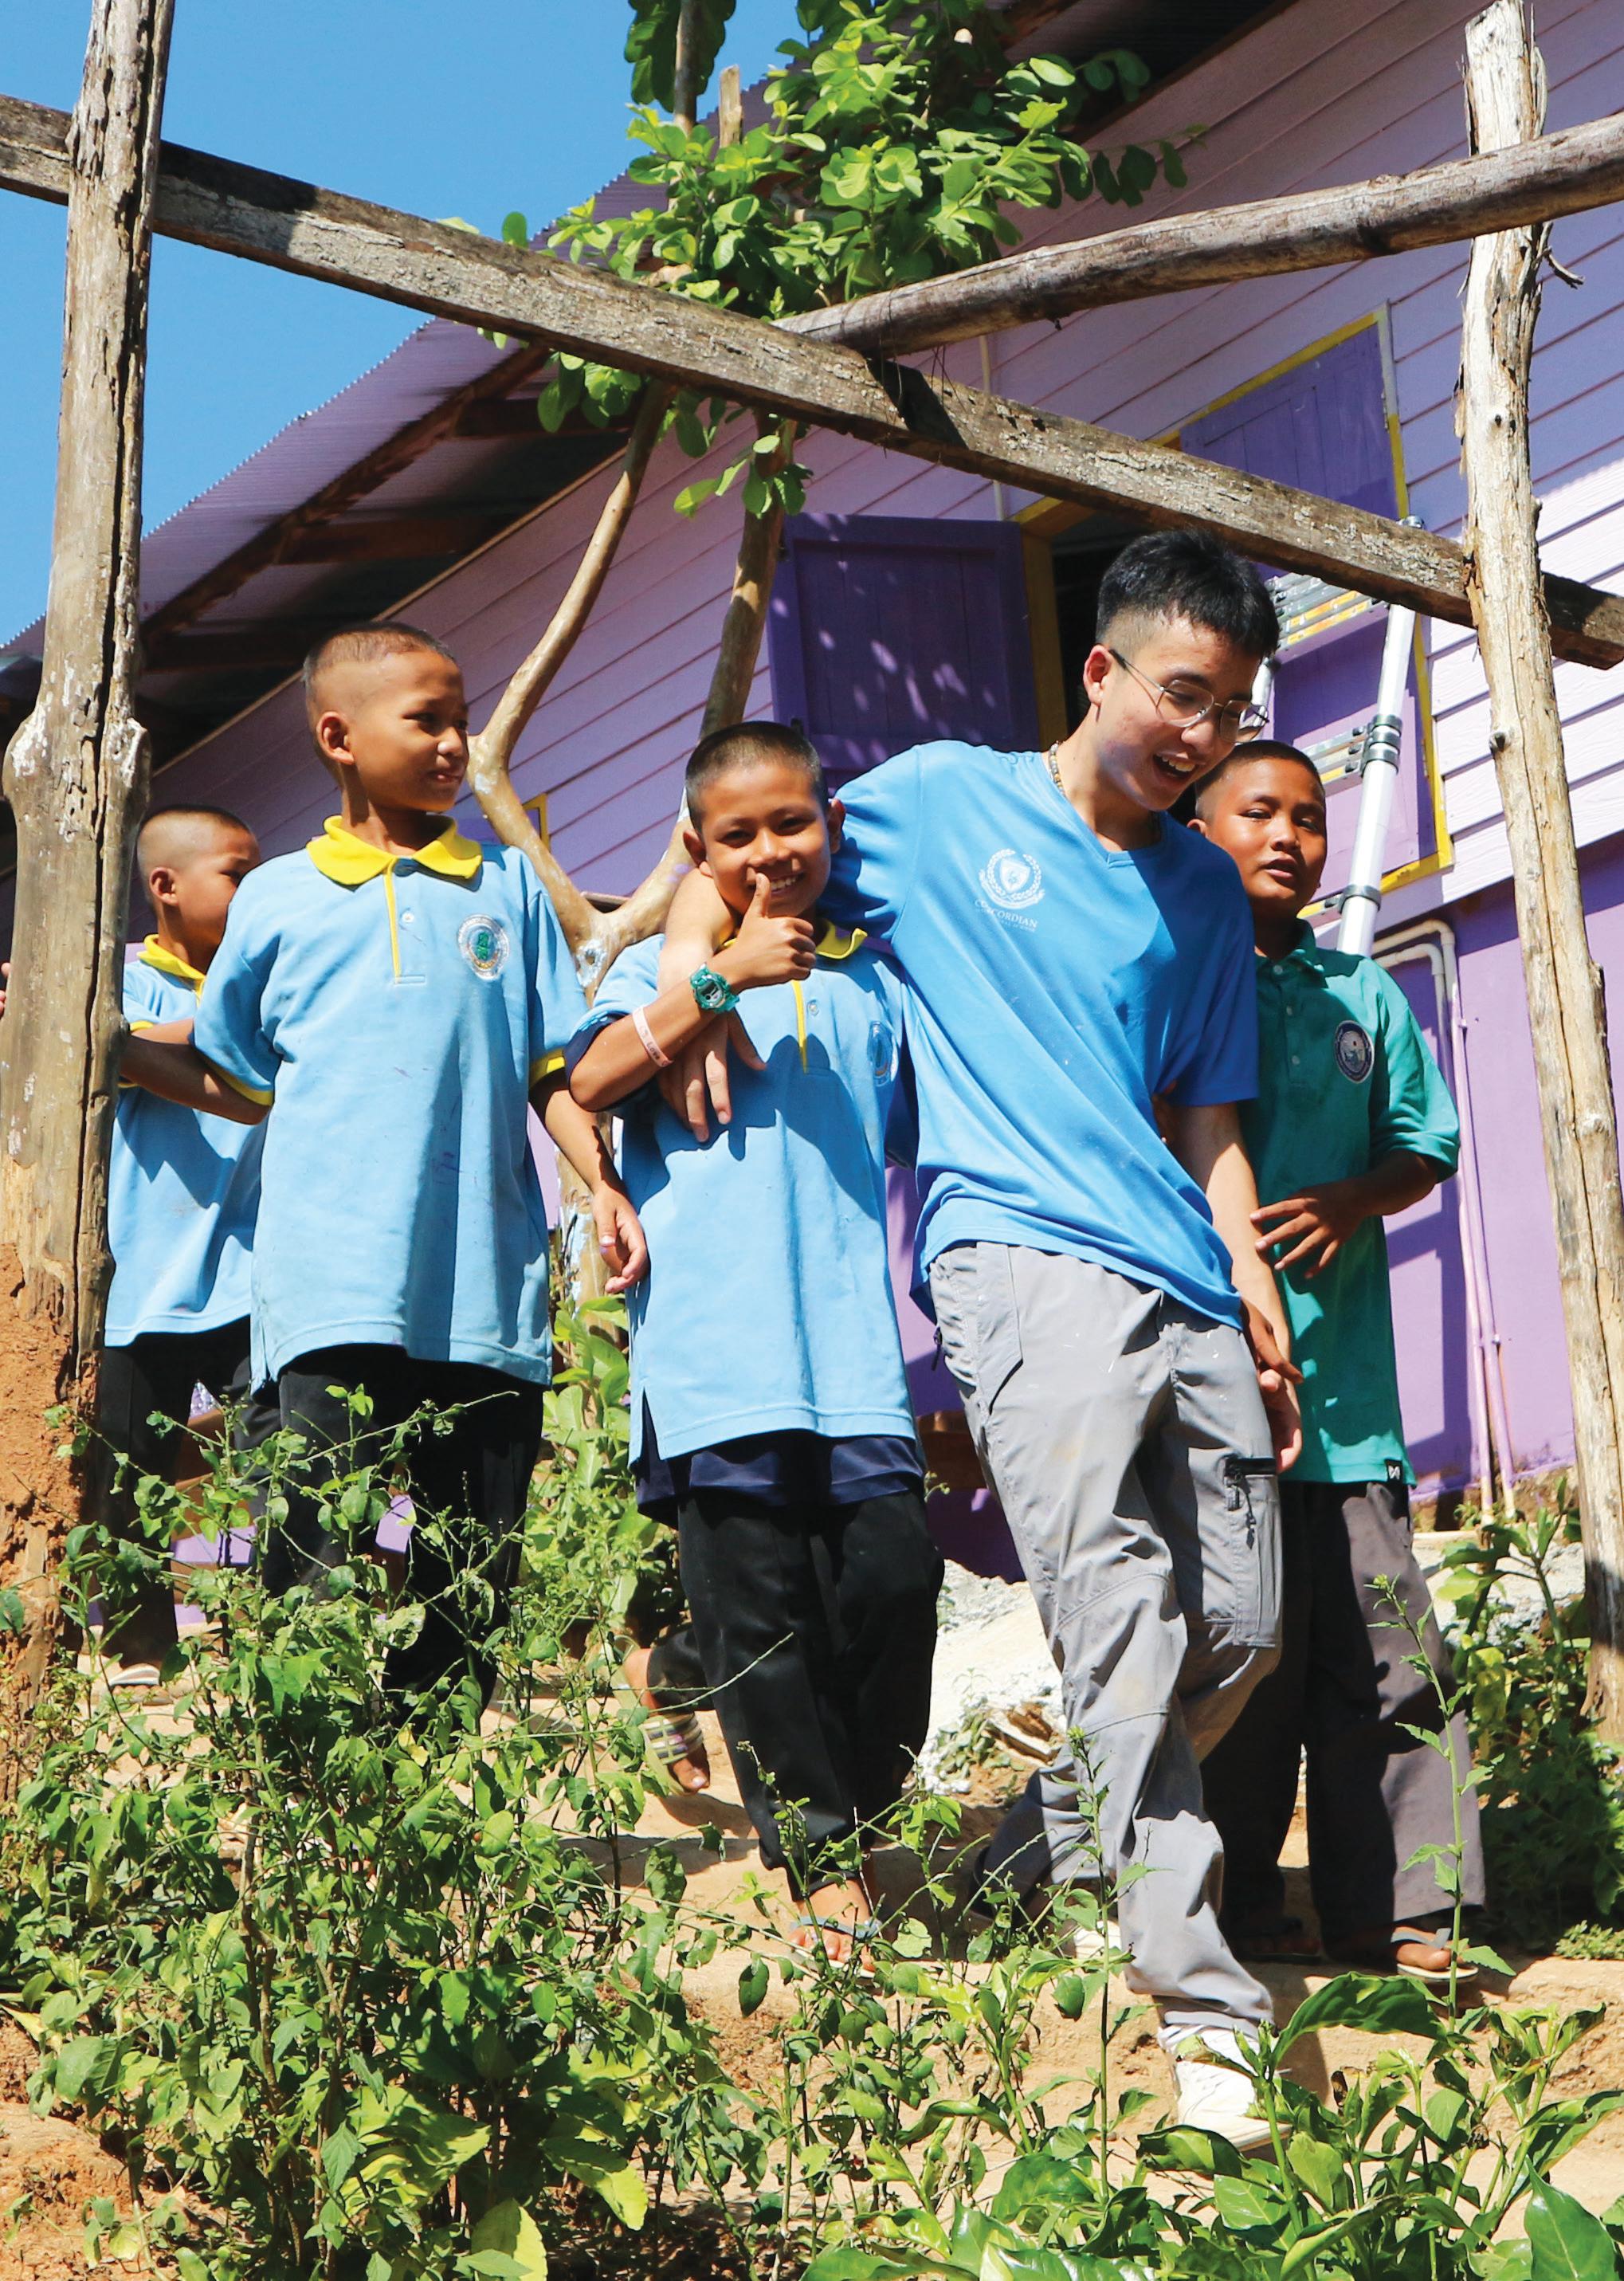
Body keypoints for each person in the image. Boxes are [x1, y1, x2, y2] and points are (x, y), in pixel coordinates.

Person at [658, 533, 1298, 2146]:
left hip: (1179, 1262)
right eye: (1181, 695)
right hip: (1012, 1256)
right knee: (1114, 1615)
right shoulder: (939, 802)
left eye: (1227, 710)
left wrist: (1252, 1278)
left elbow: (1205, 1114)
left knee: (1236, 1624)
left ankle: (1030, 1853)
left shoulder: (1198, 888)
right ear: (1099, 671)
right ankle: (1203, 2012)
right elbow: (739, 853)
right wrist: (690, 971)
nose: (1202, 735)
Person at [125, 622, 645, 1710]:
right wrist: (109, 1048)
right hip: (328, 1287)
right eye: (428, 720)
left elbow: (550, 1067)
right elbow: (235, 1078)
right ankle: (308, 1770)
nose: (456, 742)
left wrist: (602, 1184)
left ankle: (433, 1756)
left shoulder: (506, 888)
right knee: (310, 1547)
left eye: (462, 719)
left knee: (472, 1558)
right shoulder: (276, 899)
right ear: (339, 738)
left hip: (483, 1287)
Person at [568, 720, 944, 1961]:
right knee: (771, 1616)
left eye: (792, 822)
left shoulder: (873, 979)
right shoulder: (663, 972)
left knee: (892, 1590)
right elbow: (587, 1080)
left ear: (829, 822)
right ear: (697, 847)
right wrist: (715, 979)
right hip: (713, 1358)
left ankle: (700, 1682)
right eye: (738, 835)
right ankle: (823, 1860)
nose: (771, 851)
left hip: (853, 1359)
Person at [1189, 740, 1486, 1982]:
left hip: (1350, 1410)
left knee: (1389, 1667)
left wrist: (1355, 1197)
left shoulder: (1360, 993)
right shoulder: (1177, 983)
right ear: (1199, 832)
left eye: (1308, 817)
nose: (1287, 835)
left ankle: (1404, 1910)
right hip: (1217, 1402)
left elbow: (1426, 1143)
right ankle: (1240, 1900)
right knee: (1244, 1674)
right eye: (1255, 811)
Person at [90, 806, 273, 1686]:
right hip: (142, 1285)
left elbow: (128, 1048)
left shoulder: (266, 980)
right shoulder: (117, 986)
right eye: (238, 872)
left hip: (258, 1280)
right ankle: (138, 1659)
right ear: (164, 886)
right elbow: (100, 1042)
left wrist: (141, 1044)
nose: (257, 889)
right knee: (127, 1485)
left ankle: (279, 1647)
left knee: (290, 1466)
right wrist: (138, 1039)